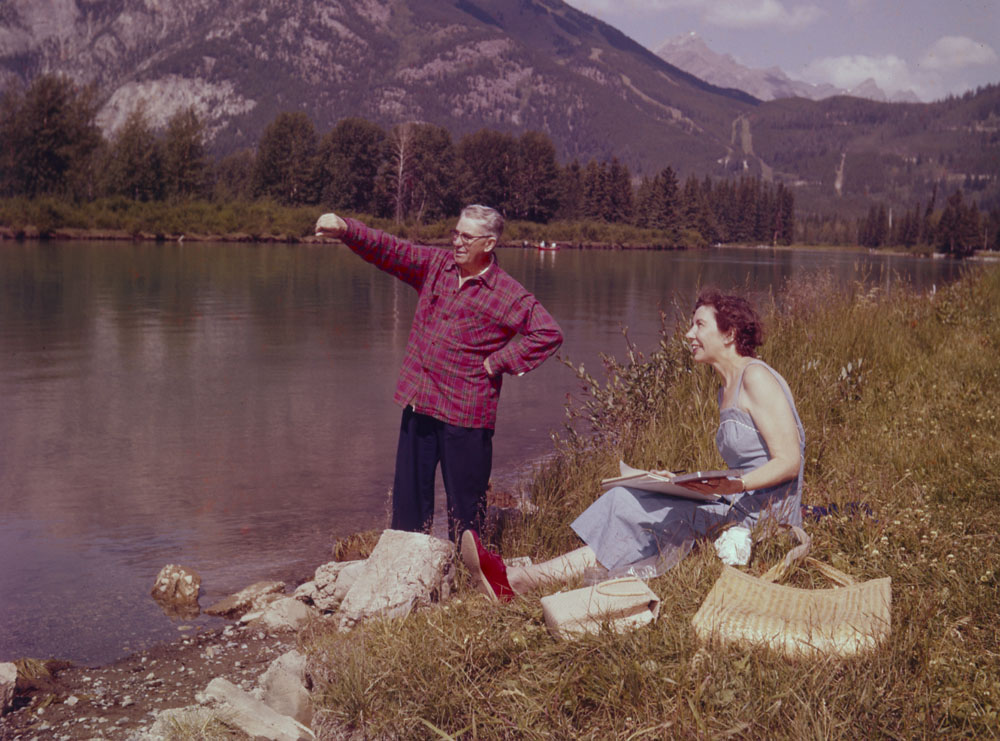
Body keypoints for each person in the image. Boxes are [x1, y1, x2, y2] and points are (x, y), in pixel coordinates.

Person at [461, 289, 804, 600]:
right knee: (628, 496)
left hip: (764, 513)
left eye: (699, 325)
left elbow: (789, 461)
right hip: (736, 497)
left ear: (728, 334)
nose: (689, 334)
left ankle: (519, 580)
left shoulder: (756, 377)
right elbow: (747, 463)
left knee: (640, 511)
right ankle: (518, 578)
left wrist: (734, 483)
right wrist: (678, 482)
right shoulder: (724, 388)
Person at [314, 204, 563, 540]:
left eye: (467, 237)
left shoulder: (508, 293)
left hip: (467, 414)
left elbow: (548, 333)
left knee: (466, 511)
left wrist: (498, 361)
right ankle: (407, 571)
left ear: (488, 244)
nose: (457, 242)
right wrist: (347, 229)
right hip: (420, 402)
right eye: (456, 233)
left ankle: (466, 577)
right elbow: (390, 250)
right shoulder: (436, 266)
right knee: (409, 506)